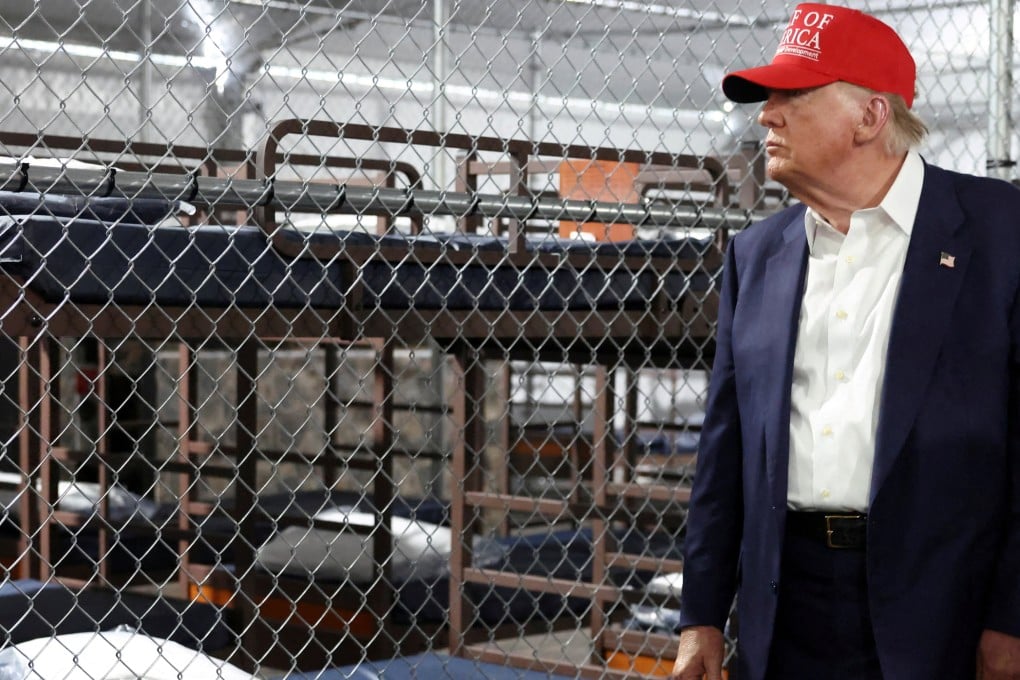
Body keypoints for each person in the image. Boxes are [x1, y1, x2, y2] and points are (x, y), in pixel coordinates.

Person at [671, 4, 1020, 680]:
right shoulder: (756, 255)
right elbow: (725, 453)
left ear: (870, 116)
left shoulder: (1000, 232)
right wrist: (701, 616)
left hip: (945, 606)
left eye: (792, 96)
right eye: (766, 99)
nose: (766, 116)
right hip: (786, 610)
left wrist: (1012, 617)